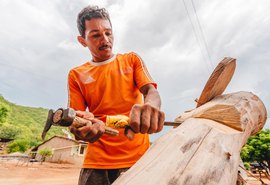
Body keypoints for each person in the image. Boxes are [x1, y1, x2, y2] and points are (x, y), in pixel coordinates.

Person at [68, 5, 165, 185]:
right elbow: (77, 119)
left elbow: (151, 91)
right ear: (82, 41)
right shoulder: (76, 75)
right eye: (96, 35)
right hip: (96, 165)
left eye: (108, 33)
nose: (105, 39)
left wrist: (150, 107)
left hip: (138, 161)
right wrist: (80, 128)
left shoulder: (131, 60)